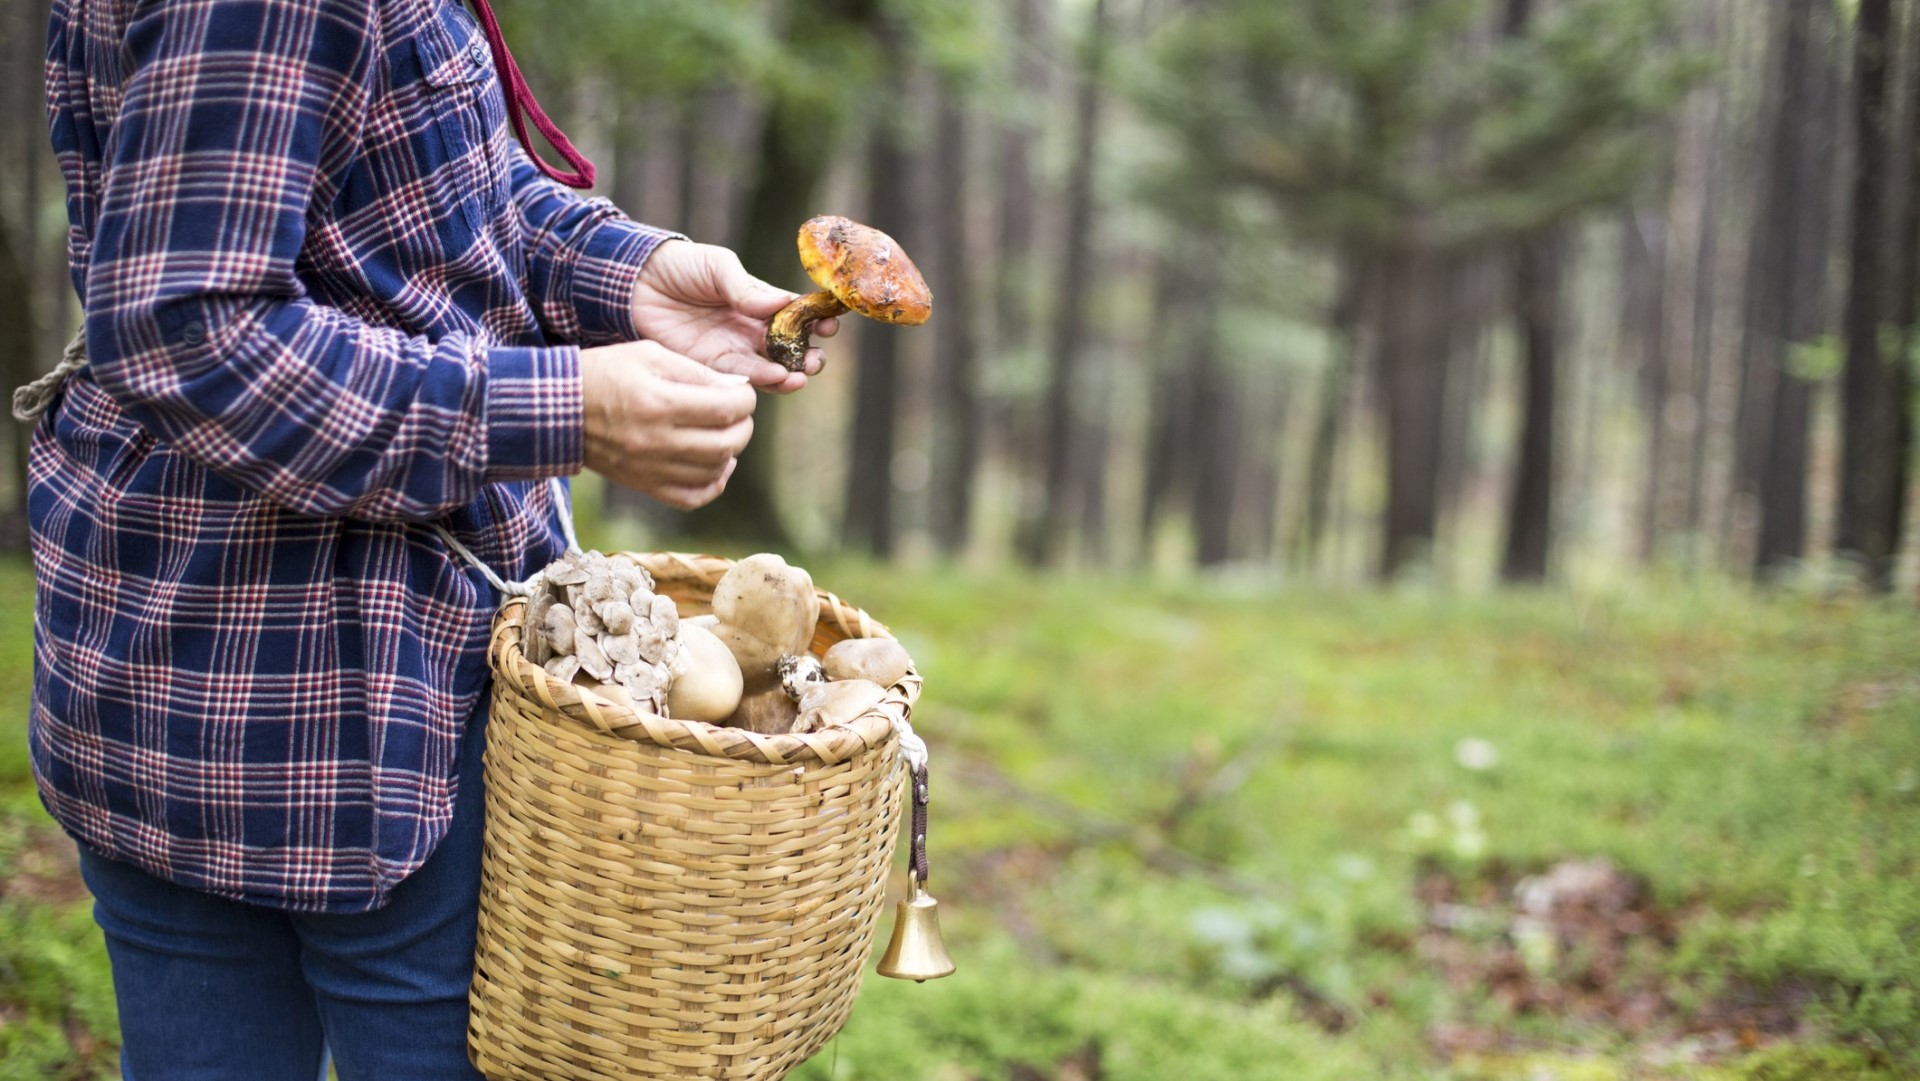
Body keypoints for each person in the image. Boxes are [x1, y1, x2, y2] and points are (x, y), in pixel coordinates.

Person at [27, 0, 833, 1076]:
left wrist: (633, 278)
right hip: (354, 705)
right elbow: (190, 329)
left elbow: (428, 198)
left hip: (174, 671)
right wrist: (563, 408)